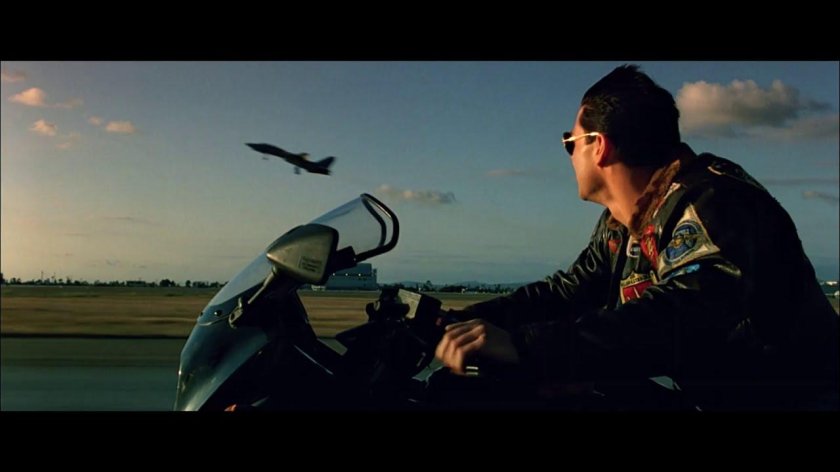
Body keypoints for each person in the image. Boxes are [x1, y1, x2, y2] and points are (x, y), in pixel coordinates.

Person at [434, 65, 839, 411]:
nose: (569, 155)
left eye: (569, 143)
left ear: (598, 146)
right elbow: (569, 292)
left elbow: (682, 314)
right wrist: (461, 322)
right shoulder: (622, 223)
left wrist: (528, 348)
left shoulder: (713, 201)